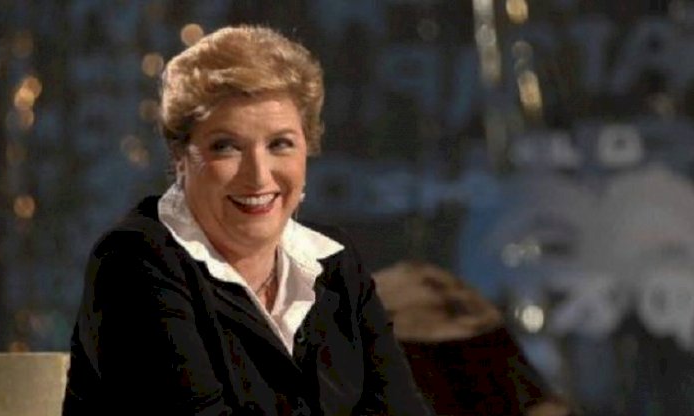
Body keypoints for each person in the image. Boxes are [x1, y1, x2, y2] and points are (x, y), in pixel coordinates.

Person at [62, 25, 433, 415]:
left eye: (280, 144)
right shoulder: (132, 262)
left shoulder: (337, 264)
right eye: (226, 146)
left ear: (308, 147)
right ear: (180, 156)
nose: (258, 175)